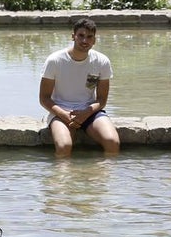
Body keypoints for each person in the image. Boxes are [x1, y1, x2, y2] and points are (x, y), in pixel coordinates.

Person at [39, 17, 121, 157]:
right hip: (61, 111)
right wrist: (63, 115)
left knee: (112, 142)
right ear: (73, 36)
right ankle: (64, 178)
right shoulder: (55, 60)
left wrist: (86, 113)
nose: (85, 41)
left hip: (90, 111)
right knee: (64, 146)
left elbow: (101, 100)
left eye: (89, 37)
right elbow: (44, 98)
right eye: (81, 36)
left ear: (94, 40)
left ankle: (98, 177)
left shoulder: (102, 61)